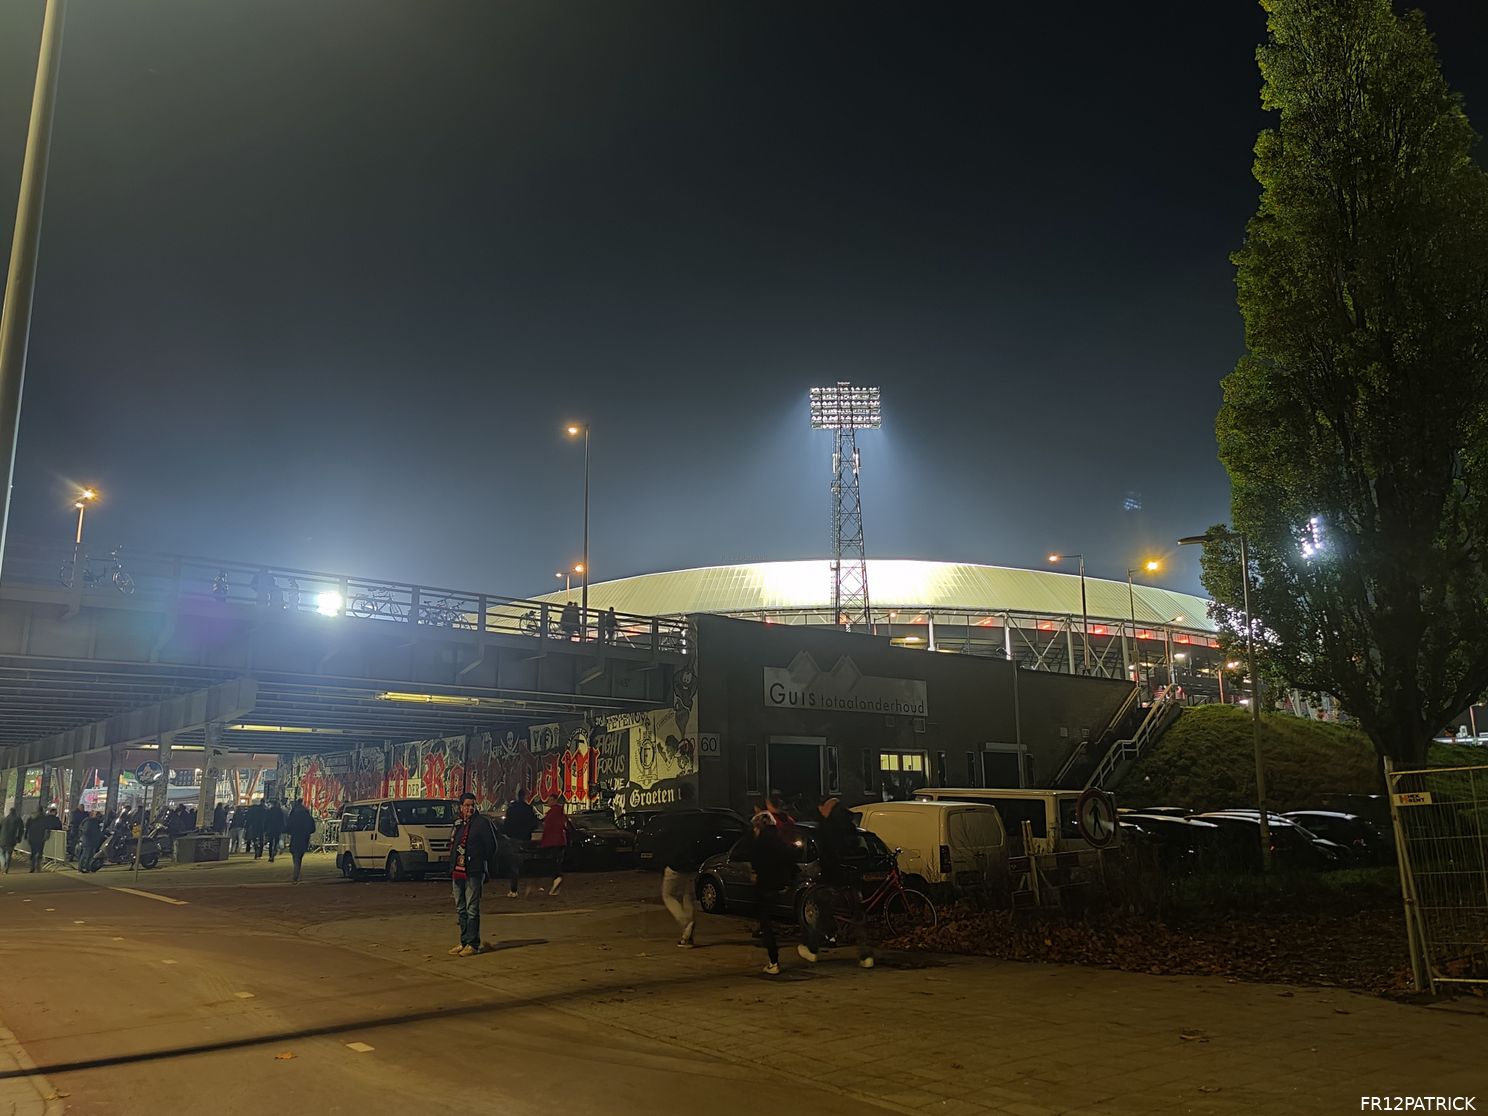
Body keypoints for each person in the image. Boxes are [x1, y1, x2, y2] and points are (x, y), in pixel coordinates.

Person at [798, 795, 874, 970]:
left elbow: (827, 854)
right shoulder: (849, 824)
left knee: (821, 910)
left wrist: (824, 873)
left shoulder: (827, 827)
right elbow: (857, 846)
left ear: (826, 807)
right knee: (857, 915)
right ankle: (866, 955)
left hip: (833, 878)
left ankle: (812, 948)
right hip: (852, 878)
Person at [745, 810, 797, 975]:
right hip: (780, 885)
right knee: (775, 918)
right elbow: (790, 857)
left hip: (766, 885)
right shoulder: (779, 839)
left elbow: (755, 860)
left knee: (766, 922)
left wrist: (755, 872)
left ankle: (773, 961)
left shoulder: (760, 842)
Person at [449, 792, 498, 956]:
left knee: (472, 908)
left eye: (472, 805)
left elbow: (491, 846)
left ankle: (473, 944)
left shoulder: (482, 823)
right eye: (467, 805)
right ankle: (464, 941)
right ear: (461, 807)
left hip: (473, 871)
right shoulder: (459, 824)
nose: (470, 808)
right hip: (458, 871)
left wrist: (479, 860)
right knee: (460, 907)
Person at [659, 815, 702, 948]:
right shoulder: (692, 830)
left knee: (668, 895)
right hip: (690, 867)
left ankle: (685, 923)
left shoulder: (670, 830)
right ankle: (688, 936)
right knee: (687, 896)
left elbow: (663, 848)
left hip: (675, 866)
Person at [500, 789, 538, 899]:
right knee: (525, 862)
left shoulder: (512, 809)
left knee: (514, 864)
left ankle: (514, 889)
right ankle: (528, 885)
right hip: (525, 838)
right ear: (525, 796)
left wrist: (507, 833)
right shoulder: (528, 809)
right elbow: (534, 823)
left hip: (513, 838)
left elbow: (506, 824)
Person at [539, 794, 572, 895]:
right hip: (560, 841)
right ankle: (556, 884)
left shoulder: (552, 813)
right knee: (557, 861)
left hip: (552, 841)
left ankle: (557, 878)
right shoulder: (561, 813)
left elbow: (548, 828)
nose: (548, 802)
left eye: (549, 800)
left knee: (552, 862)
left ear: (554, 800)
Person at [285, 799, 316, 883]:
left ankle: (296, 872)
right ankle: (297, 872)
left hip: (295, 837)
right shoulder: (307, 815)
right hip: (304, 838)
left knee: (295, 855)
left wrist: (290, 832)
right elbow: (312, 828)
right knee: (300, 855)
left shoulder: (293, 815)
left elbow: (288, 827)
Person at [0, 806, 22, 874]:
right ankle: (6, 867)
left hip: (2, 839)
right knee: (9, 854)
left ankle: (3, 864)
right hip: (12, 839)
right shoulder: (18, 819)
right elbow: (20, 829)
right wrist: (19, 838)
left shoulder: (4, 819)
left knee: (1, 853)